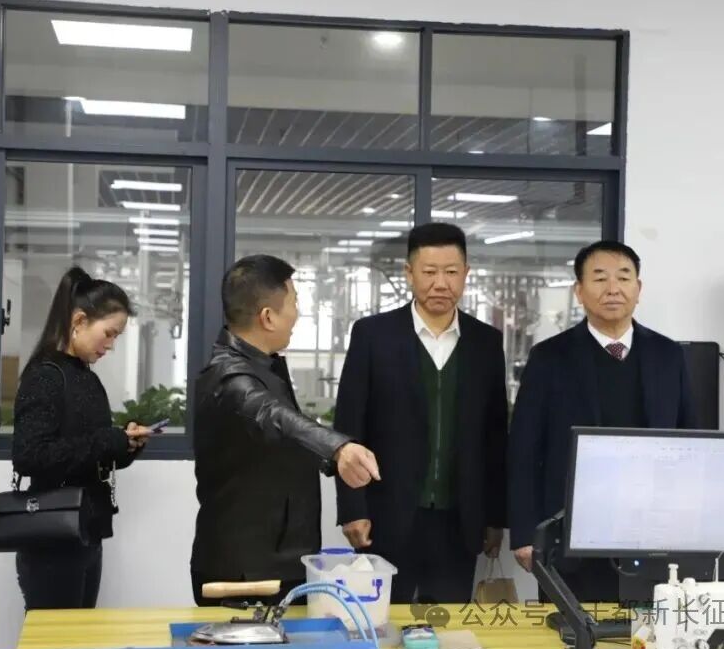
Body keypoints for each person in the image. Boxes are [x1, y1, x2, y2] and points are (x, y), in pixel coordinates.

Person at [507, 240, 695, 602]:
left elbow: (689, 440)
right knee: (569, 628)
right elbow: (524, 451)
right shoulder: (549, 357)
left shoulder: (668, 355)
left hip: (651, 531)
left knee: (649, 627)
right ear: (579, 291)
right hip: (570, 533)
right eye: (599, 278)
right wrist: (525, 534)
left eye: (623, 277)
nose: (613, 288)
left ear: (638, 289)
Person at [334, 223, 509, 605]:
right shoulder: (373, 336)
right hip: (387, 514)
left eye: (451, 272)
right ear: (409, 273)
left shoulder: (486, 342)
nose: (440, 283)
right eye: (429, 272)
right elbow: (348, 428)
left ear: (466, 273)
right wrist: (352, 508)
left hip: (460, 519)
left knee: (449, 624)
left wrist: (496, 517)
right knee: (381, 620)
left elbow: (495, 435)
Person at [191, 255, 380, 606]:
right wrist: (338, 448)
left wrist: (331, 459)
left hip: (279, 558)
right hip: (244, 572)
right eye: (294, 302)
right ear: (268, 316)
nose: (297, 313)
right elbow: (272, 415)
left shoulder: (265, 366)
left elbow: (283, 439)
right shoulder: (230, 377)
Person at [12, 267, 153, 610]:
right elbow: (30, 456)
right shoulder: (46, 375)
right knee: (57, 638)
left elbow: (89, 451)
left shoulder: (86, 377)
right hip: (53, 541)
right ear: (79, 320)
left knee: (80, 635)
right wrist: (108, 441)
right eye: (109, 333)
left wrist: (125, 444)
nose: (111, 345)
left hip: (87, 533)